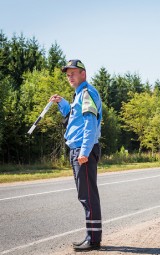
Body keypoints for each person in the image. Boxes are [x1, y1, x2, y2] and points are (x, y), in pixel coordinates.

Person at [50, 59, 103, 251]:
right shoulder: (79, 95)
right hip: (78, 150)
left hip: (83, 150)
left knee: (88, 196)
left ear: (83, 74)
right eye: (67, 74)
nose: (70, 77)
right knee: (85, 196)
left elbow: (89, 123)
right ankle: (91, 236)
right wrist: (61, 102)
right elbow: (73, 114)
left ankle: (94, 240)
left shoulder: (87, 93)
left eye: (73, 73)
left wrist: (84, 151)